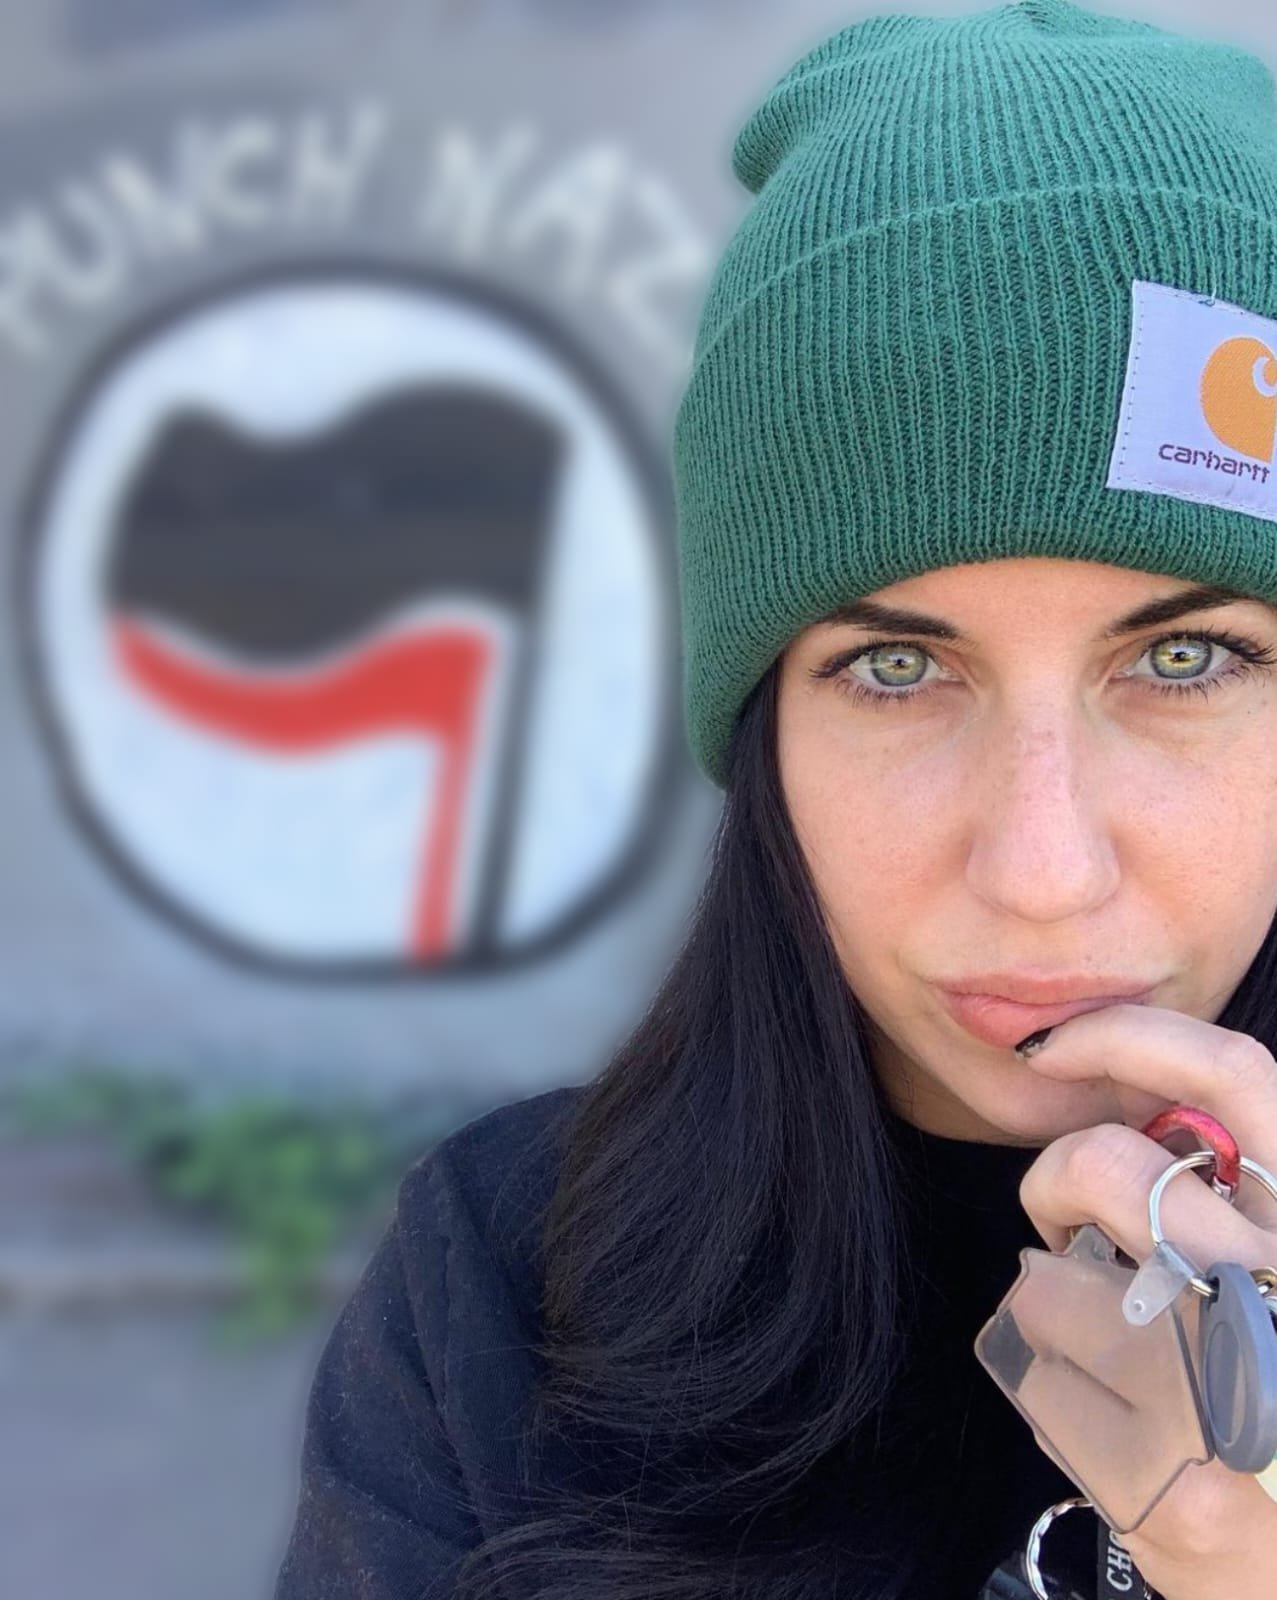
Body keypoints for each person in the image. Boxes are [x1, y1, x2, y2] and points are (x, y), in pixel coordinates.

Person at [272, 2, 1277, 1596]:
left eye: (1184, 658)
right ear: (762, 734)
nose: (1041, 870)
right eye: (895, 668)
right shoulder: (508, 1287)